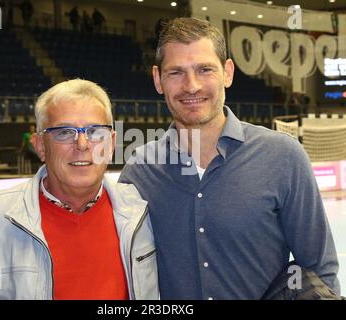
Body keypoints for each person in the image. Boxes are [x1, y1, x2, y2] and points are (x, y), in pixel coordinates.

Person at [119, 17, 340, 300]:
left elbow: (319, 269)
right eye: (176, 72)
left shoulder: (283, 157)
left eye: (205, 69)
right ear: (157, 79)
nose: (192, 86)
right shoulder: (139, 170)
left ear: (228, 72)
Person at [0, 79, 159, 300]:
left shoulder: (143, 213)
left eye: (96, 131)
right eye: (64, 132)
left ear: (112, 144)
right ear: (40, 146)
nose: (83, 144)